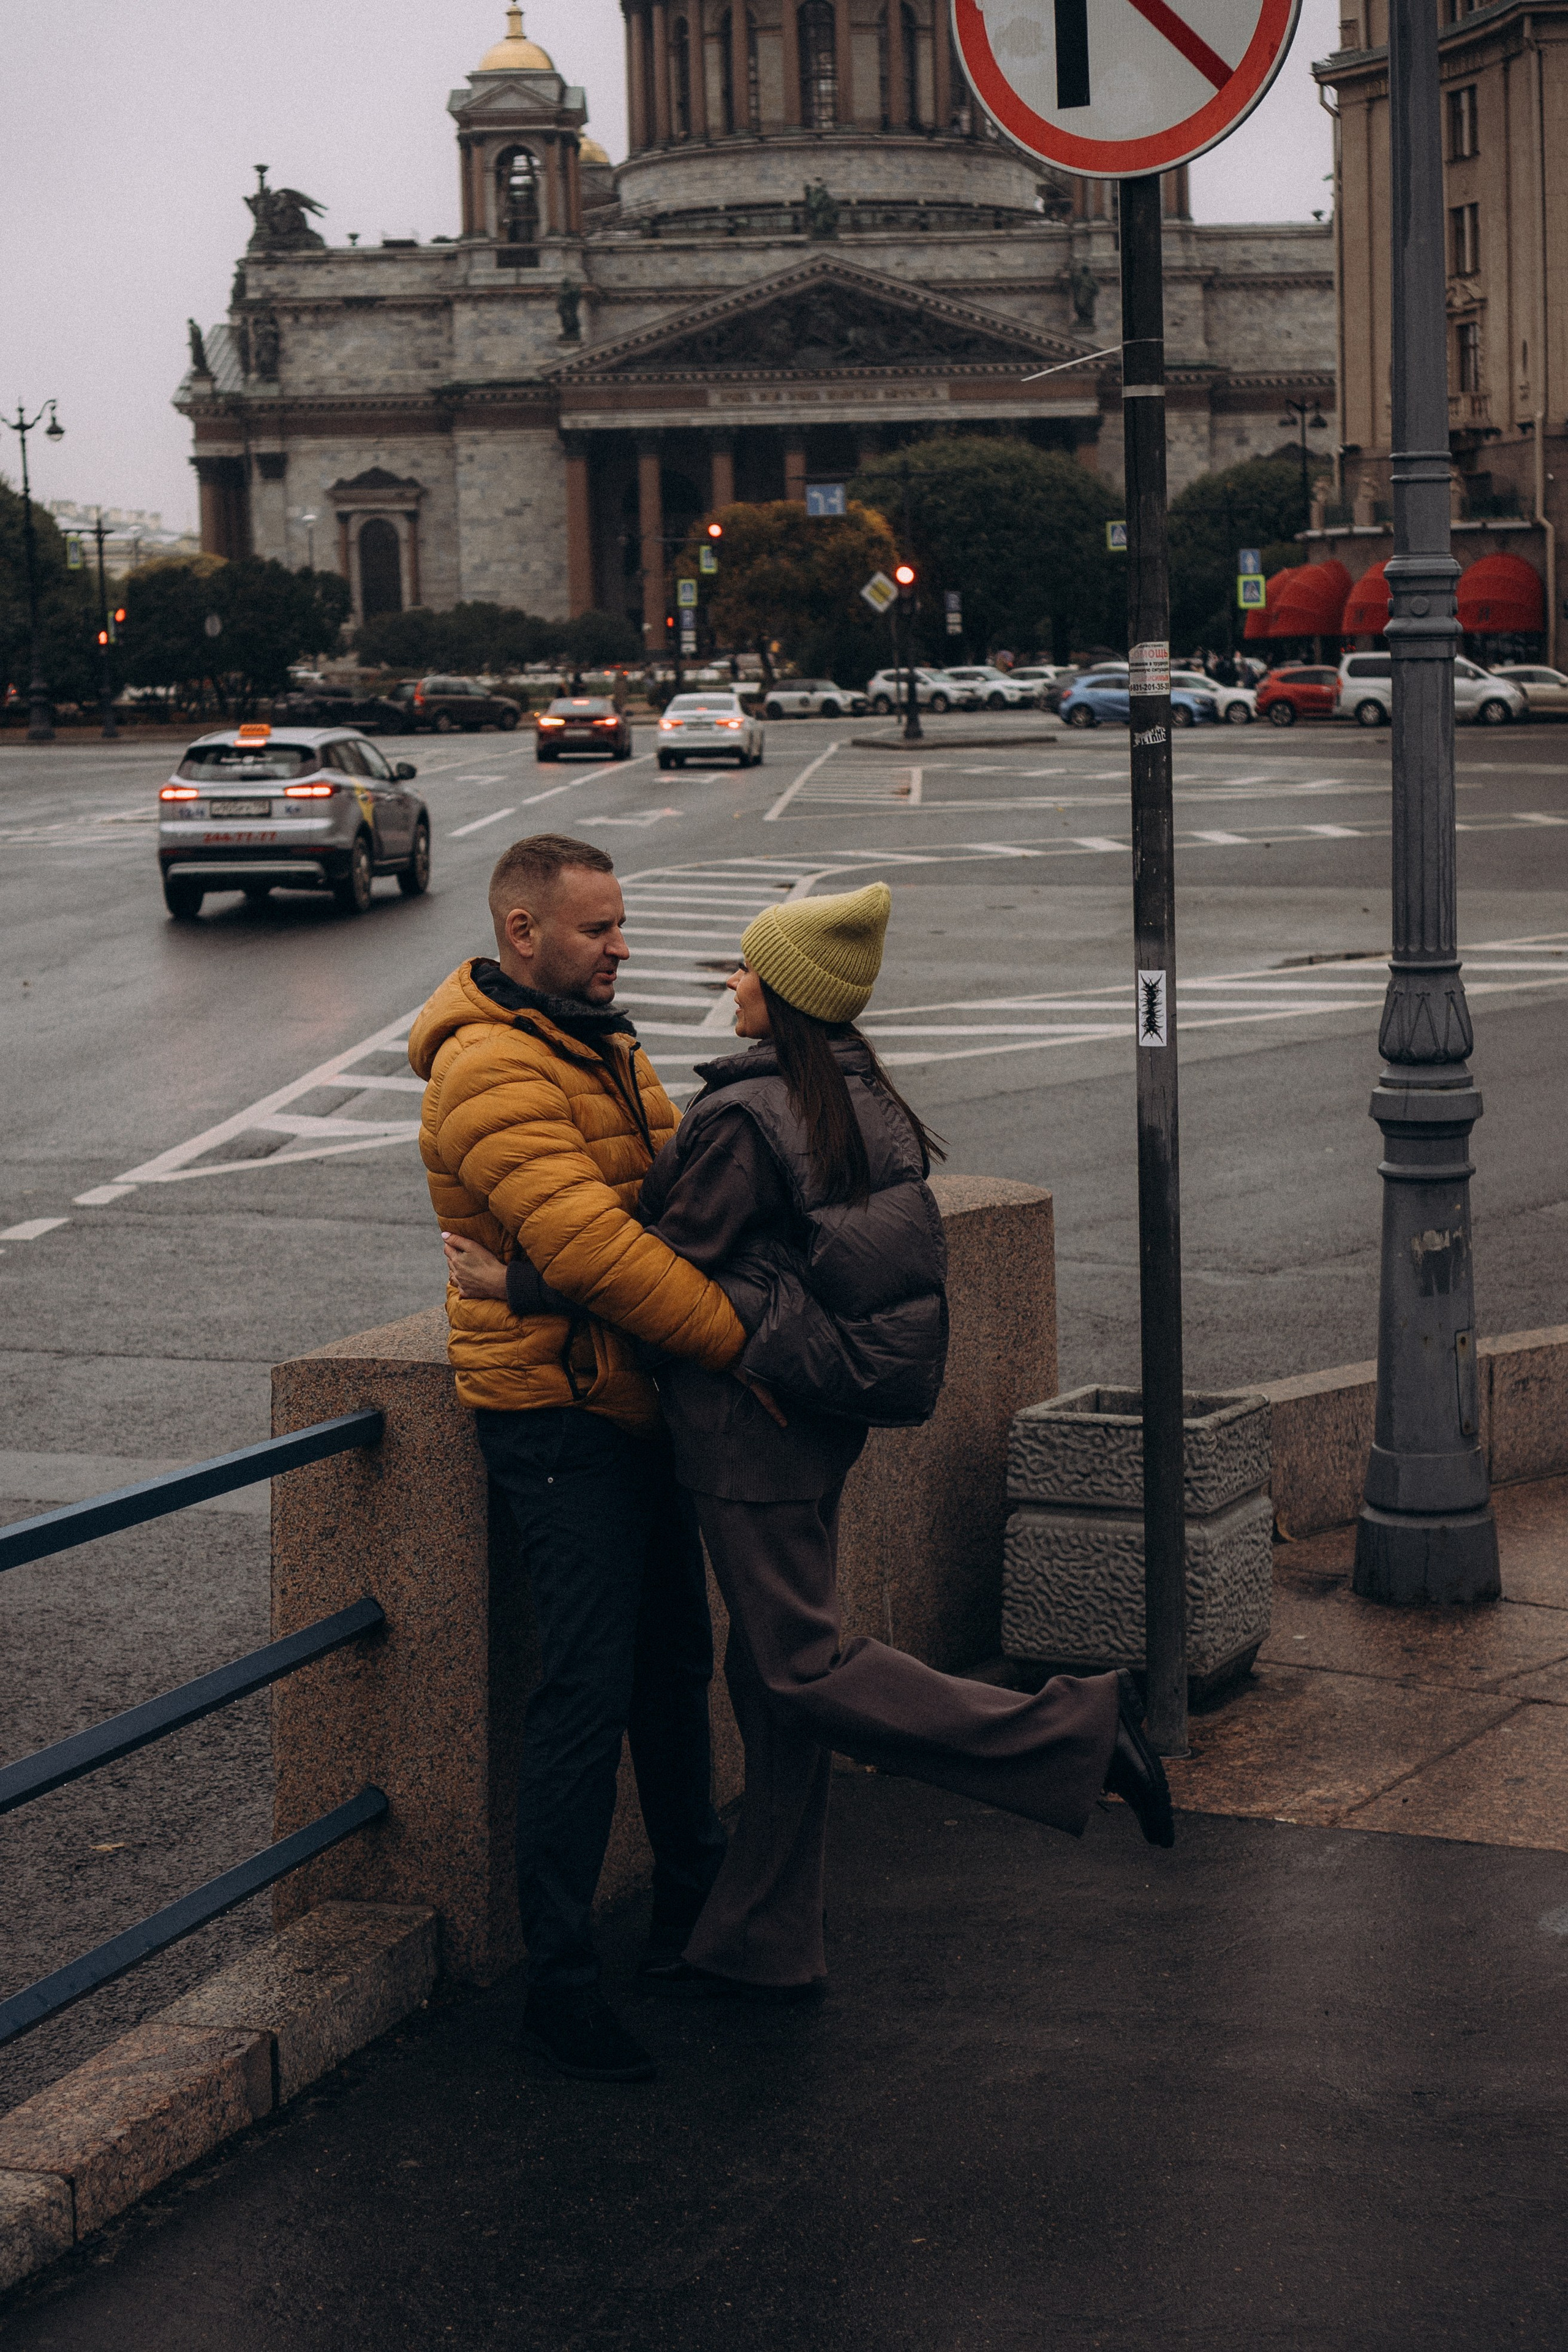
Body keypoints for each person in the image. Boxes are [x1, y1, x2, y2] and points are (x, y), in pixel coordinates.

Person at [451, 883, 1177, 2008]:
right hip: (816, 1418)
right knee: (769, 1684)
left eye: (745, 972)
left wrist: (520, 1279)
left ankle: (1075, 1733)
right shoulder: (851, 1093)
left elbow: (659, 1267)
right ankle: (763, 1939)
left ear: (783, 993)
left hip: (750, 1427)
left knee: (799, 1667)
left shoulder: (745, 1118)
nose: (728, 987)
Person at [411, 833, 750, 2085]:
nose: (622, 946)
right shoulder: (493, 1068)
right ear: (523, 934)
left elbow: (664, 1204)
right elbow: (609, 1255)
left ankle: (692, 1918)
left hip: (628, 1397)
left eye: (619, 924)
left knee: (671, 1669)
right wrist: (739, 1344)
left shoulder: (589, 1043)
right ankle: (559, 1988)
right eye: (598, 929)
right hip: (557, 1419)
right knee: (585, 1694)